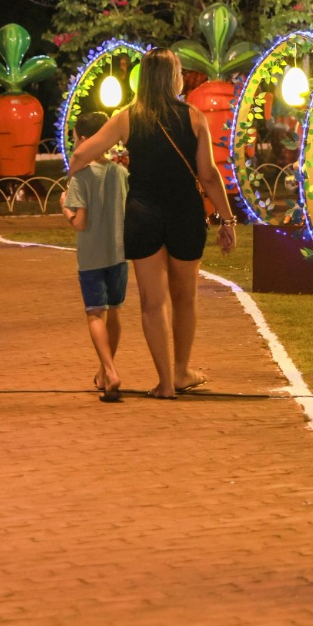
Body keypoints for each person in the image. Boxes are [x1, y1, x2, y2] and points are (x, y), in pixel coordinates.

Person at [69, 49, 236, 398]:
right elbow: (208, 174)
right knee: (185, 297)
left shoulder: (128, 117)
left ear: (143, 79)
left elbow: (82, 154)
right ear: (174, 77)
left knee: (152, 302)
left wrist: (81, 179)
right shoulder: (194, 117)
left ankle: (164, 383)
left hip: (143, 214)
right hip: (185, 213)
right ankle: (181, 371)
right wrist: (227, 219)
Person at [61, 111, 129, 403]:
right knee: (114, 311)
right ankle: (103, 371)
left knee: (94, 314)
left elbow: (80, 223)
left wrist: (65, 208)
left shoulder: (81, 176)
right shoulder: (121, 173)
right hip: (119, 254)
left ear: (86, 140)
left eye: (76, 138)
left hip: (91, 258)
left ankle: (110, 372)